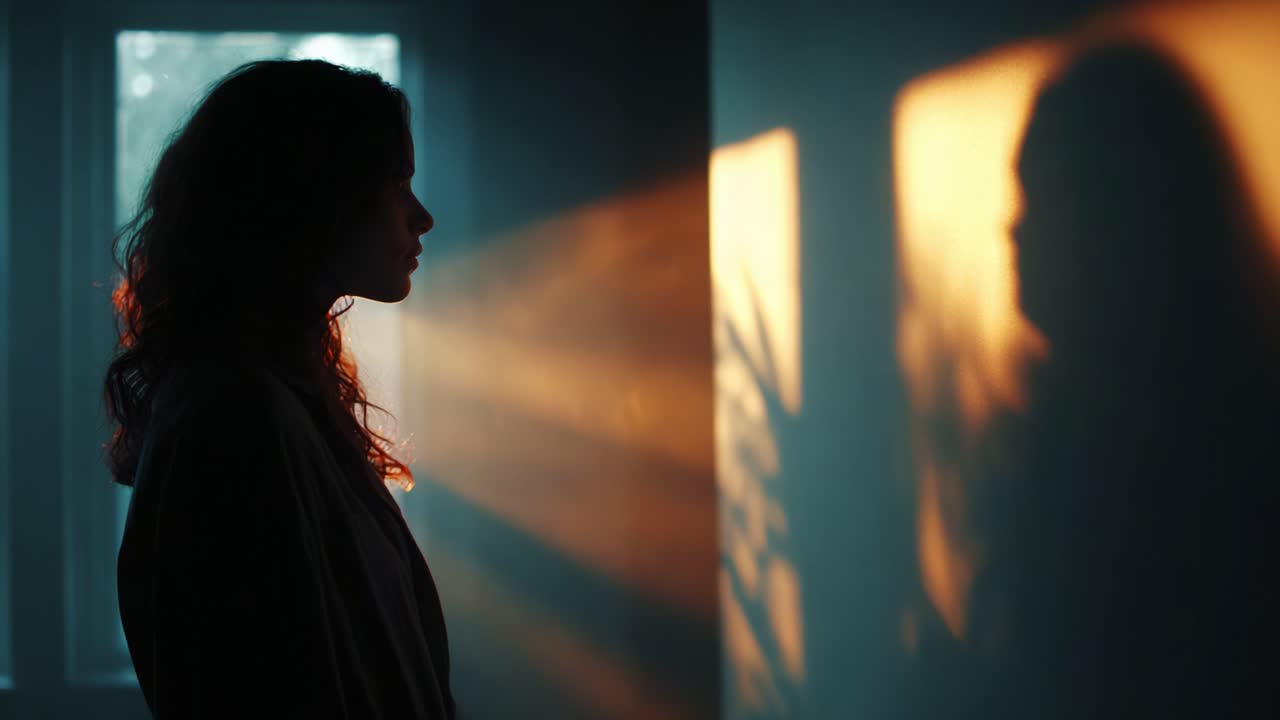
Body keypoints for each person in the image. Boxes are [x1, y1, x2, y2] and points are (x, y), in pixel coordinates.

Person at [105, 59, 453, 718]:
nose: (421, 217)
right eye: (396, 183)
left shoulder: (274, 400)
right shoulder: (239, 417)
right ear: (316, 196)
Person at [977, 39, 1280, 718]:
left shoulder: (1225, 482)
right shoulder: (1052, 450)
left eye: (1039, 194)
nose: (1012, 229)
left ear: (1122, 213)